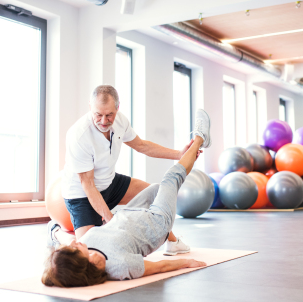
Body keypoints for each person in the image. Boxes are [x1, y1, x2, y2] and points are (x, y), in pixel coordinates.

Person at [42, 109, 212, 287]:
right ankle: (200, 139)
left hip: (128, 214)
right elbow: (159, 267)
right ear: (83, 262)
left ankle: (52, 232)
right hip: (157, 223)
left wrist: (57, 235)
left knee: (155, 189)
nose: (76, 243)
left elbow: (142, 146)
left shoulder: (84, 244)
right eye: (75, 249)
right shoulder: (121, 266)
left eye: (109, 114)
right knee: (171, 178)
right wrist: (186, 263)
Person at [60, 85, 201, 256]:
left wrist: (179, 154)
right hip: (82, 195)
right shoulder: (79, 135)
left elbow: (142, 146)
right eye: (98, 114)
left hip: (109, 182)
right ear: (90, 107)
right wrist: (112, 224)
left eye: (109, 115)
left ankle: (171, 242)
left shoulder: (121, 122)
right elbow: (88, 185)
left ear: (117, 108)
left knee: (157, 195)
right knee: (93, 253)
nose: (104, 121)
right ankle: (56, 234)